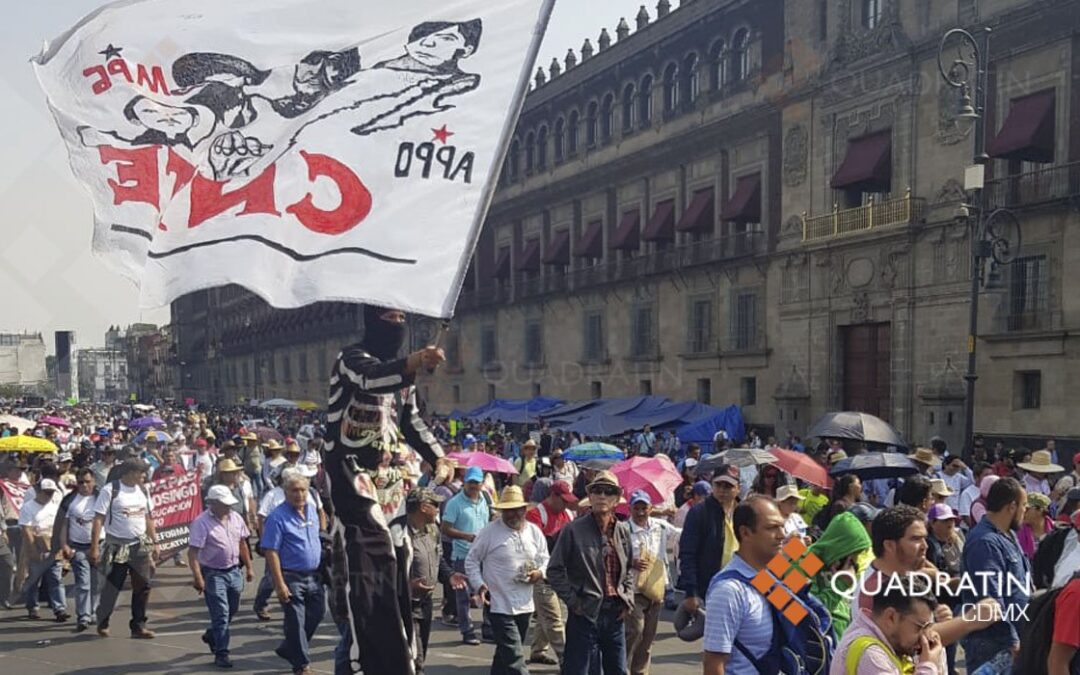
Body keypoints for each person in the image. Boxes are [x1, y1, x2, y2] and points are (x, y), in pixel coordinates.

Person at [324, 305, 445, 675]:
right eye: (389, 318)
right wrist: (412, 362)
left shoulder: (403, 380)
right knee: (371, 558)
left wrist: (438, 455)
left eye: (401, 319)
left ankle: (403, 657)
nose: (396, 325)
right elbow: (371, 379)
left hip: (390, 479)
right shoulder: (350, 359)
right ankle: (370, 661)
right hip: (350, 472)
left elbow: (410, 421)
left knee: (399, 558)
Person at [547, 470, 635, 675]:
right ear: (590, 497)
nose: (602, 496)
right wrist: (574, 602)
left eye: (608, 491)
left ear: (616, 499)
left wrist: (627, 598)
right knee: (578, 670)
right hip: (585, 613)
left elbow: (629, 569)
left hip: (615, 614)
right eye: (597, 491)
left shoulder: (622, 530)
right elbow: (554, 570)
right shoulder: (573, 530)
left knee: (618, 670)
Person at [465, 485, 549, 675]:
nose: (511, 515)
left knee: (505, 654)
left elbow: (545, 558)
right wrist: (479, 584)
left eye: (515, 510)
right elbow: (471, 560)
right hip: (499, 603)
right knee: (515, 656)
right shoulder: (489, 532)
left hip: (526, 603)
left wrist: (539, 573)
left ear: (523, 510)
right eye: (507, 511)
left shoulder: (534, 532)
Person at [702, 496, 785, 675]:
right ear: (745, 533)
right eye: (771, 528)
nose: (782, 535)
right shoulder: (728, 591)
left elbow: (799, 616)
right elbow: (713, 665)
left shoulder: (771, 576)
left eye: (782, 526)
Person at [961, 477, 1031, 672]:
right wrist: (1012, 638)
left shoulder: (1008, 535)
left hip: (1010, 640)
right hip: (992, 644)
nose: (1025, 512)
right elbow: (990, 597)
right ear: (1011, 506)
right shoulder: (985, 542)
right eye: (1024, 506)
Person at [261, 472, 325, 675]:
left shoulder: (312, 511)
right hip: (291, 576)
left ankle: (290, 648)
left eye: (303, 490)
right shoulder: (277, 517)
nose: (299, 494)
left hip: (314, 575)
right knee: (296, 622)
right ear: (285, 492)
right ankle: (302, 665)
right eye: (294, 490)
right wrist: (279, 584)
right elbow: (271, 551)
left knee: (317, 614)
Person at [90, 459, 159, 639]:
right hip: (117, 546)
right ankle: (103, 619)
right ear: (129, 472)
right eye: (140, 472)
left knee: (143, 585)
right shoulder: (111, 490)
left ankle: (138, 626)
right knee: (113, 586)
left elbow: (148, 518)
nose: (143, 476)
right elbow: (98, 519)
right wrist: (94, 548)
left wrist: (155, 543)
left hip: (140, 545)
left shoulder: (143, 490)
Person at [188, 485, 255, 669]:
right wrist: (197, 577)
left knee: (232, 609)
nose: (229, 507)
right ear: (213, 504)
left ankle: (212, 634)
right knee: (221, 613)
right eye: (225, 504)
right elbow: (193, 553)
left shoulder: (236, 518)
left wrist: (249, 567)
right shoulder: (201, 522)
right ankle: (222, 653)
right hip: (213, 573)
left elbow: (242, 544)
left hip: (234, 571)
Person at [402, 487, 466, 673]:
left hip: (426, 602)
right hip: (406, 605)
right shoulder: (399, 534)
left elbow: (439, 559)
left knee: (421, 653)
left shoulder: (432, 530)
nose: (439, 509)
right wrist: (408, 585)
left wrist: (449, 575)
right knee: (415, 658)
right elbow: (385, 572)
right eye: (435, 505)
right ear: (423, 507)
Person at [832, 574, 944, 675]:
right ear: (891, 617)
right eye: (919, 627)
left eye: (927, 628)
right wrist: (928, 667)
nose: (924, 638)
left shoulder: (886, 643)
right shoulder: (870, 655)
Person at [625, 489, 680, 675]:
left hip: (656, 589)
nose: (640, 512)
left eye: (644, 508)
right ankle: (620, 667)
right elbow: (614, 556)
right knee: (635, 630)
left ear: (650, 508)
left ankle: (640, 671)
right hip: (633, 590)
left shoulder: (660, 526)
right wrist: (630, 562)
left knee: (648, 636)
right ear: (630, 509)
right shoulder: (624, 530)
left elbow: (681, 535)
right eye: (636, 508)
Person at [524, 479, 577, 666]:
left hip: (562, 574)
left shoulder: (568, 514)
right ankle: (567, 658)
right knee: (554, 618)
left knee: (548, 616)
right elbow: (534, 547)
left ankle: (538, 651)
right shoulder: (535, 515)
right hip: (542, 574)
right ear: (553, 496)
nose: (565, 504)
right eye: (563, 500)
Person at [678, 463, 740, 615]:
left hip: (740, 586)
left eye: (728, 486)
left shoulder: (744, 512)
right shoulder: (699, 512)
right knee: (717, 635)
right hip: (711, 588)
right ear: (712, 484)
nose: (722, 490)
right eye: (719, 484)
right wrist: (691, 592)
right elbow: (687, 553)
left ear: (738, 488)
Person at [441, 465, 491, 645]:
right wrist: (466, 536)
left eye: (476, 483)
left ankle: (488, 628)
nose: (473, 486)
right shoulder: (455, 503)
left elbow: (489, 519)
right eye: (470, 482)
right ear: (464, 482)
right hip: (462, 555)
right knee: (462, 597)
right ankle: (467, 631)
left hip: (484, 554)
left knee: (487, 591)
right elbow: (445, 528)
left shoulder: (485, 498)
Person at [808, 511, 872, 637]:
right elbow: (809, 616)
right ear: (840, 548)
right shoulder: (804, 560)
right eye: (852, 557)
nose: (854, 564)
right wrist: (840, 584)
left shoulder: (834, 566)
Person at [55, 468, 101, 631]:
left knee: (97, 582)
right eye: (80, 482)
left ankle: (94, 611)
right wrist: (64, 545)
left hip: (99, 544)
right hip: (78, 547)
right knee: (83, 581)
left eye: (87, 482)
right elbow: (63, 525)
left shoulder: (101, 498)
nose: (84, 485)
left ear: (93, 482)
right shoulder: (70, 500)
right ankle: (83, 616)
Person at [18, 478, 68, 621]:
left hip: (53, 547)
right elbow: (26, 529)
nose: (49, 495)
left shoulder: (55, 506)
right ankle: (32, 607)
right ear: (39, 492)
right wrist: (32, 549)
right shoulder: (28, 507)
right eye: (46, 492)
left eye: (52, 493)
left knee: (56, 579)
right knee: (34, 579)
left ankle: (60, 609)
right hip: (37, 545)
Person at [1019, 492, 1054, 560]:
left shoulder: (1056, 532)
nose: (1023, 512)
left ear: (1040, 510)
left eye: (1027, 509)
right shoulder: (1016, 532)